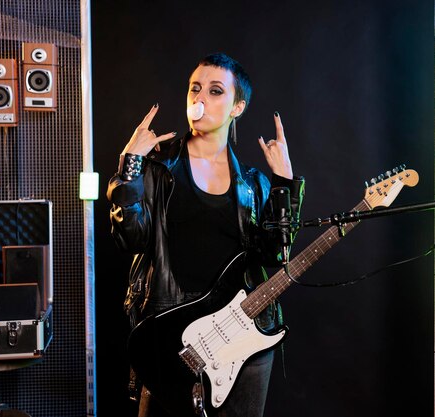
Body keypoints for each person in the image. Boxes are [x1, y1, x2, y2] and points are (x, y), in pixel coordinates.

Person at [107, 52, 305, 417]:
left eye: (215, 91)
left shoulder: (255, 184)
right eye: (194, 89)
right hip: (169, 335)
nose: (199, 99)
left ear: (237, 107)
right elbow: (129, 240)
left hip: (240, 337)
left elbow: (277, 258)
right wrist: (130, 166)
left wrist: (284, 184)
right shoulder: (156, 168)